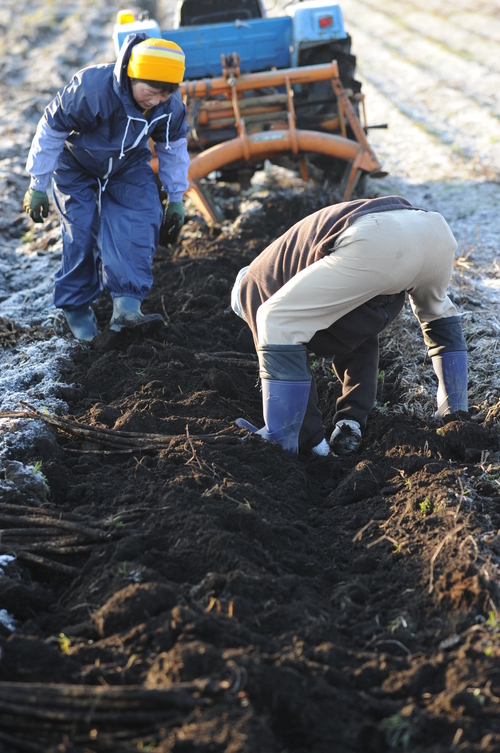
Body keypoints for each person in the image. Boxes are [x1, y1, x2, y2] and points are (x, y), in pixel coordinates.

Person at [231, 195, 468, 456]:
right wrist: (352, 414)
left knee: (274, 321)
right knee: (436, 312)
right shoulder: (284, 262)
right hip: (432, 229)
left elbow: (282, 342)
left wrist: (311, 439)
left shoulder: (253, 287)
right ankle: (455, 416)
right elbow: (356, 333)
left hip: (374, 241)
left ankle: (286, 441)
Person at [23, 34, 190, 341]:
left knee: (140, 219)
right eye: (150, 92)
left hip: (127, 165)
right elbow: (51, 128)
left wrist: (176, 196)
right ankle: (76, 307)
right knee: (82, 230)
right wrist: (38, 183)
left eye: (164, 96)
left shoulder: (168, 105)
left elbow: (173, 146)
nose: (155, 101)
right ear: (132, 75)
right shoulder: (92, 89)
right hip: (77, 165)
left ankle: (126, 307)